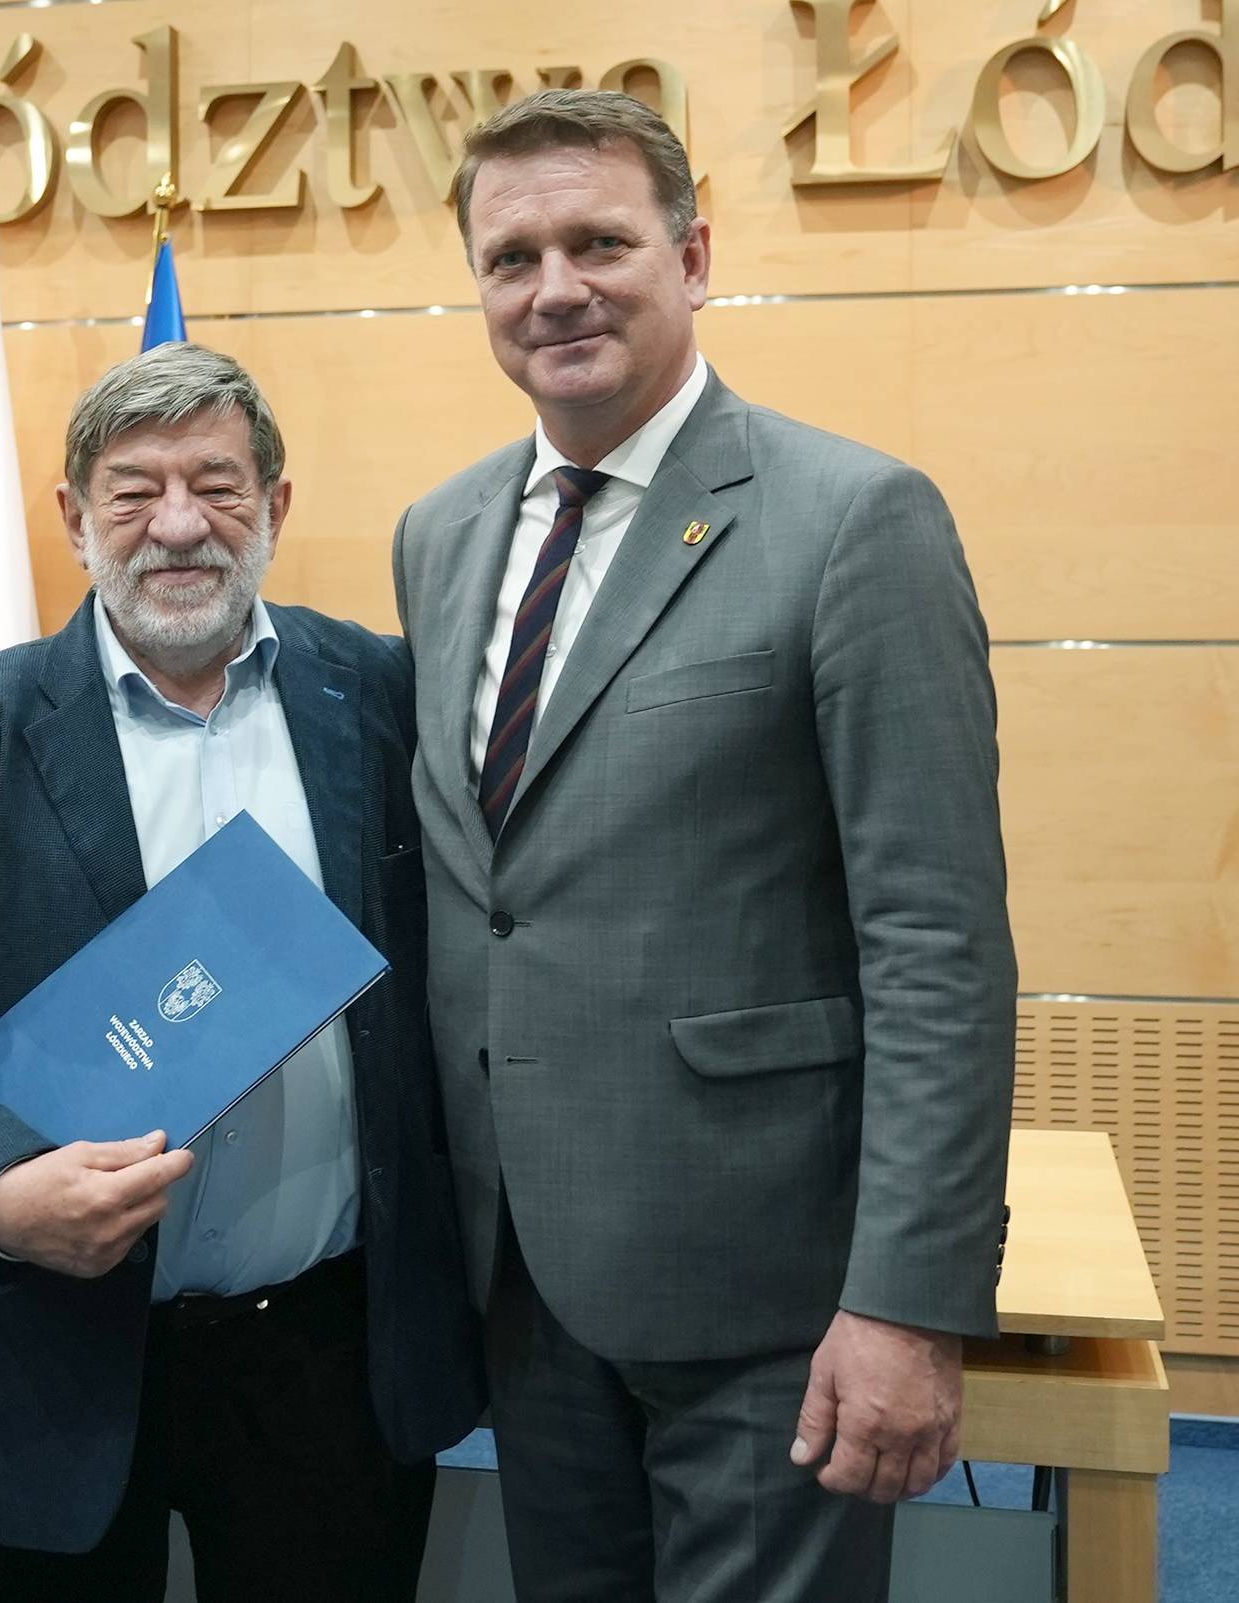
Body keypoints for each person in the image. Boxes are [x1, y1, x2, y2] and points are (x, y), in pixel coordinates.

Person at [390, 89, 1018, 1602]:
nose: (555, 289)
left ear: (693, 255)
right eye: (512, 257)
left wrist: (908, 1300)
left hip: (772, 1297)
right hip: (528, 1276)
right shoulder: (441, 535)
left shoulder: (854, 518)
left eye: (599, 242)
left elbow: (936, 943)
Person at [0, 341, 482, 1602]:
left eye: (218, 484)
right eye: (135, 492)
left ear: (277, 504)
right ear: (73, 518)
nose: (179, 525)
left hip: (328, 1358)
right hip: (43, 1356)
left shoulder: (383, 692)